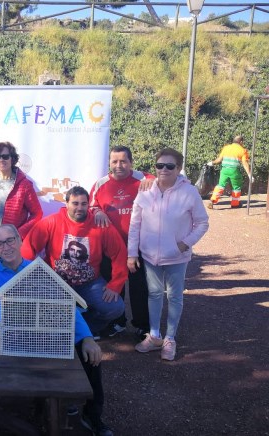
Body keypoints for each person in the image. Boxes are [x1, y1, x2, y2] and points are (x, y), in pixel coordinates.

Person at [0, 224, 112, 436]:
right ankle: (46, 405)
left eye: (10, 240)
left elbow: (68, 305)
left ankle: (93, 415)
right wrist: (17, 322)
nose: (6, 247)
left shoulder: (40, 269)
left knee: (90, 356)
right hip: (15, 336)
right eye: (0, 243)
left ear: (19, 240)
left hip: (48, 331)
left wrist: (87, 337)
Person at [128, 148, 209, 361]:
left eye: (170, 166)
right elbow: (135, 224)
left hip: (176, 256)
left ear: (179, 168)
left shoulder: (189, 192)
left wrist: (184, 244)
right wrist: (131, 253)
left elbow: (202, 222)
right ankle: (154, 335)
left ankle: (170, 338)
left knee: (174, 296)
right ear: (154, 168)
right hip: (150, 255)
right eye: (160, 165)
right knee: (154, 294)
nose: (164, 170)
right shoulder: (144, 190)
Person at [21, 186, 127, 337]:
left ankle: (86, 328)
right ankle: (65, 327)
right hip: (56, 282)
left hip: (90, 283)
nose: (79, 208)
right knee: (45, 316)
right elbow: (28, 248)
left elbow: (119, 253)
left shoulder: (100, 225)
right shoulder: (51, 222)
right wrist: (32, 276)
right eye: (75, 203)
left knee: (115, 308)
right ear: (67, 203)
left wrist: (115, 285)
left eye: (84, 204)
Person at [89, 145, 154, 338]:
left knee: (139, 286)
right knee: (112, 284)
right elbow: (92, 205)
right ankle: (117, 323)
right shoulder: (100, 184)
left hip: (138, 245)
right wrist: (98, 211)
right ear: (109, 163)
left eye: (123, 161)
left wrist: (153, 180)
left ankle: (143, 325)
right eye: (114, 161)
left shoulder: (144, 179)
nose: (119, 165)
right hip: (110, 247)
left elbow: (161, 180)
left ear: (131, 163)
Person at [0, 141, 42, 270]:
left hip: (8, 241)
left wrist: (19, 233)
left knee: (10, 277)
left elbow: (37, 213)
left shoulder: (24, 185)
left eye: (5, 156)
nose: (1, 160)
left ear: (12, 158)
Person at [207, 135, 252, 209]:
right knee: (236, 187)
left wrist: (212, 163)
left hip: (224, 170)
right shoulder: (242, 150)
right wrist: (249, 174)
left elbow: (219, 160)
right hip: (234, 171)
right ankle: (235, 204)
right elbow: (245, 163)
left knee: (220, 185)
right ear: (241, 142)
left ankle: (213, 200)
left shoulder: (226, 148)